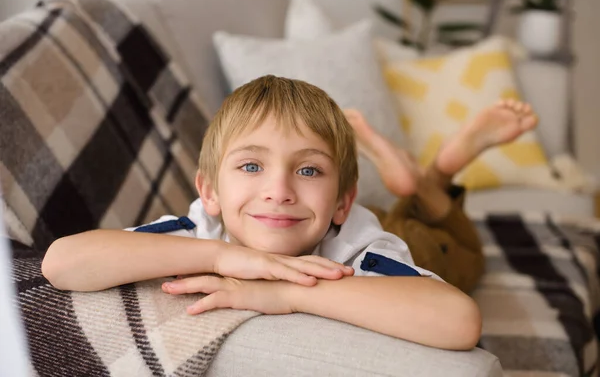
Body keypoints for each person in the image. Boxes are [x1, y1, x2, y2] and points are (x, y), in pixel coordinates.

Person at [42, 75, 483, 351]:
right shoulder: (202, 229)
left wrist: (290, 293)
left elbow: (459, 321)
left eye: (308, 169)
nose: (278, 191)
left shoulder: (362, 247)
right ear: (210, 191)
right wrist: (220, 257)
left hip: (409, 238)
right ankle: (421, 178)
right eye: (251, 166)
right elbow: (61, 263)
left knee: (460, 250)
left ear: (343, 202)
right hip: (318, 216)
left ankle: (436, 176)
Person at [344, 97, 538, 294]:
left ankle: (428, 177)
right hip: (399, 245)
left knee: (419, 226)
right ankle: (431, 176)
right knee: (464, 250)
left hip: (369, 236)